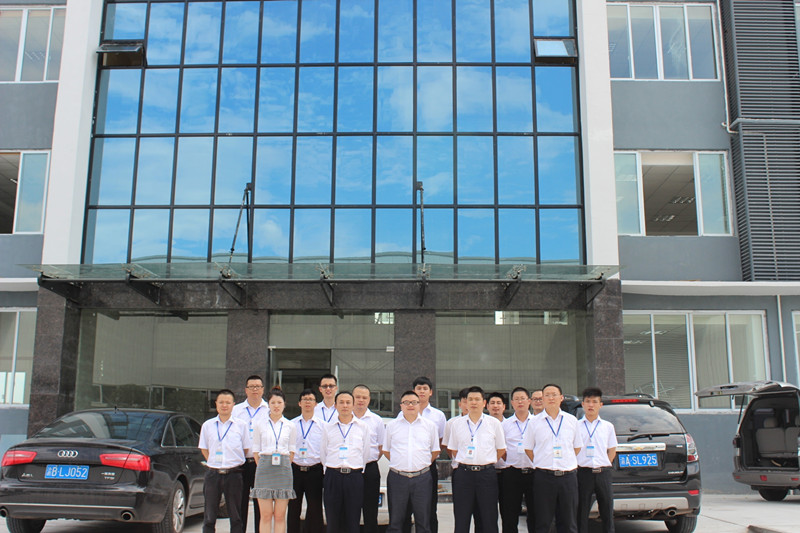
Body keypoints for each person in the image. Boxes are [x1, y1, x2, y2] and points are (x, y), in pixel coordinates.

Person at [447, 386, 506, 533]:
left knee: (488, 518)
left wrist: (487, 460)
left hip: (486, 475)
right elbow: (454, 449)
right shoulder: (457, 424)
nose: (473, 402)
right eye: (470, 399)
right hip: (464, 474)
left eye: (477, 399)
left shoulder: (494, 423)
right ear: (465, 403)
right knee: (462, 517)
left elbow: (501, 449)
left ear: (484, 403)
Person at [524, 383, 581, 533]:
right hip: (544, 477)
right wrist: (543, 461)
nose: (551, 398)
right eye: (547, 395)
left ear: (561, 398)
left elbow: (577, 447)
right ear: (542, 398)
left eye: (554, 395)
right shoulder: (534, 422)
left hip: (567, 477)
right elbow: (528, 448)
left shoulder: (571, 421)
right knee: (543, 522)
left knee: (568, 523)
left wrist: (565, 461)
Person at [383, 391, 440, 533]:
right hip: (398, 478)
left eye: (414, 402)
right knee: (396, 522)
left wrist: (420, 464)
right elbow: (386, 450)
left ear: (419, 405)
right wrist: (401, 463)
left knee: (423, 522)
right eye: (406, 402)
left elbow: (435, 451)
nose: (410, 405)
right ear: (401, 405)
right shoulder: (392, 426)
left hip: (422, 479)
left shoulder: (430, 426)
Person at [319, 391, 371, 533]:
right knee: (332, 520)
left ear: (353, 405)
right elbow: (323, 452)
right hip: (333, 476)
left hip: (354, 476)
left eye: (348, 402)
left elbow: (365, 452)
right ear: (335, 406)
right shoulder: (328, 427)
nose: (345, 405)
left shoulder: (363, 427)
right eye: (341, 402)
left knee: (353, 520)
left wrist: (358, 469)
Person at [199, 389, 249, 533]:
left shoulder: (241, 425)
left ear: (233, 404)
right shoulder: (207, 425)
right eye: (221, 402)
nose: (224, 405)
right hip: (213, 475)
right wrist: (214, 463)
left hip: (234, 474)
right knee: (209, 516)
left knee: (236, 516)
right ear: (216, 404)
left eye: (228, 402)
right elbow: (204, 448)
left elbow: (245, 449)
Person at [402, 376, 447, 533]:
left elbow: (441, 441)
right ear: (413, 391)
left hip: (428, 466)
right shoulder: (402, 414)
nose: (422, 391)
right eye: (418, 388)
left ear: (430, 392)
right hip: (406, 468)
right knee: (405, 509)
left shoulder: (438, 416)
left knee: (429, 508)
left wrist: (427, 460)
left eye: (425, 388)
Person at [251, 388, 297, 533]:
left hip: (283, 470)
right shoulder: (259, 424)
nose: (276, 406)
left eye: (279, 402)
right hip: (264, 469)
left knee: (279, 515)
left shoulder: (290, 425)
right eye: (273, 402)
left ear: (284, 404)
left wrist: (283, 465)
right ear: (268, 404)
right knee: (265, 515)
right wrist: (264, 465)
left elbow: (291, 451)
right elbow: (256, 450)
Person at [576, 387, 617, 533]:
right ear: (583, 404)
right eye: (588, 401)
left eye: (594, 402)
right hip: (583, 473)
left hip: (603, 473)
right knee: (581, 511)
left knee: (607, 510)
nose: (591, 405)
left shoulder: (608, 426)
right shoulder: (576, 426)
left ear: (601, 405)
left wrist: (605, 464)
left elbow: (612, 449)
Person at [442, 388, 482, 533]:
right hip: (461, 470)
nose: (469, 404)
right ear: (460, 404)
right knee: (462, 513)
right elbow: (448, 446)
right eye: (466, 401)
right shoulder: (453, 423)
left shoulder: (487, 422)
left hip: (482, 472)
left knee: (482, 514)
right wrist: (459, 458)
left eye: (474, 400)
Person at [233, 375, 269, 533]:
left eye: (258, 386)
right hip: (241, 462)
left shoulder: (269, 409)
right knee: (240, 503)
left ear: (262, 390)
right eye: (251, 387)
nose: (255, 389)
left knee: (261, 505)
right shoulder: (236, 410)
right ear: (246, 390)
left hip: (261, 463)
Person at [288, 389, 325, 533]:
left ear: (316, 404)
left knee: (315, 509)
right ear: (299, 403)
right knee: (293, 508)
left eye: (311, 399)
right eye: (305, 399)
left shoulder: (323, 426)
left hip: (315, 470)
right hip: (295, 469)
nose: (308, 402)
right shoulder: (291, 424)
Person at [500, 387, 535, 533]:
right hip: (512, 473)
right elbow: (501, 448)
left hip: (534, 473)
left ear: (529, 401)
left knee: (535, 513)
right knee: (510, 513)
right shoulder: (505, 424)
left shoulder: (537, 422)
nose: (520, 402)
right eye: (517, 399)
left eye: (523, 398)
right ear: (512, 403)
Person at [353, 384, 386, 533]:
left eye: (364, 397)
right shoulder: (344, 418)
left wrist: (369, 460)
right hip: (350, 469)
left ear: (369, 399)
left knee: (371, 510)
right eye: (358, 397)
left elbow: (381, 446)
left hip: (370, 469)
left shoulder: (376, 420)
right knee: (350, 509)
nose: (361, 400)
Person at [486, 392, 508, 515]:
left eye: (499, 403)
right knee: (488, 509)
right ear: (487, 406)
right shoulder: (482, 425)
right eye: (492, 403)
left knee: (507, 509)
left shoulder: (510, 424)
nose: (495, 406)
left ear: (504, 406)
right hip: (488, 471)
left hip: (506, 472)